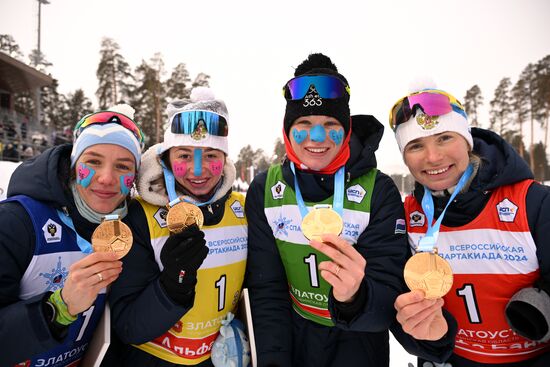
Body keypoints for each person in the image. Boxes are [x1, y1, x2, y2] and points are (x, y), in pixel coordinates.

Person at [244, 53, 456, 367]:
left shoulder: (378, 190)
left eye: (330, 124)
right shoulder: (265, 189)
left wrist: (355, 297)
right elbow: (267, 290)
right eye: (304, 124)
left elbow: (388, 287)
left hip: (359, 345)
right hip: (295, 336)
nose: (317, 138)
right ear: (287, 130)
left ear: (345, 129)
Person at [390, 85, 550, 367]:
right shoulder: (407, 217)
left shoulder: (533, 202)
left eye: (444, 138)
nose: (433, 157)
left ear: (467, 141)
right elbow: (400, 308)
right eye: (416, 145)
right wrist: (430, 337)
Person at [107, 87, 247, 366]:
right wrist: (172, 285)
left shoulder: (243, 209)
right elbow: (127, 327)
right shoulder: (140, 216)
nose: (198, 170)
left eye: (211, 155)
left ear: (225, 159)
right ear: (167, 158)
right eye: (184, 155)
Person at [0, 105, 144, 366]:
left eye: (123, 167)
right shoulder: (15, 222)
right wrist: (58, 308)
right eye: (93, 161)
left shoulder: (131, 228)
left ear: (134, 177)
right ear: (74, 165)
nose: (106, 178)